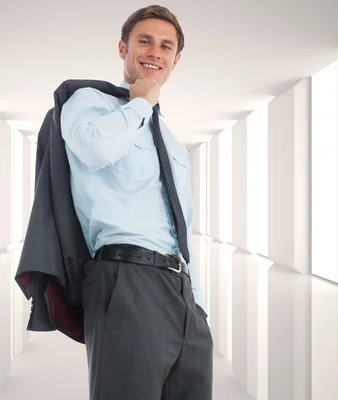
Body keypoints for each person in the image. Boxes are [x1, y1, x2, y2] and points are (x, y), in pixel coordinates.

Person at [60, 5, 213, 400]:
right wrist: (141, 103)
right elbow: (94, 150)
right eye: (144, 41)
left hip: (182, 294)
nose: (154, 52)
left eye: (166, 46)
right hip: (126, 278)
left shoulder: (173, 142)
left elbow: (183, 226)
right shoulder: (89, 103)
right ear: (123, 48)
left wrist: (198, 308)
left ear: (175, 60)